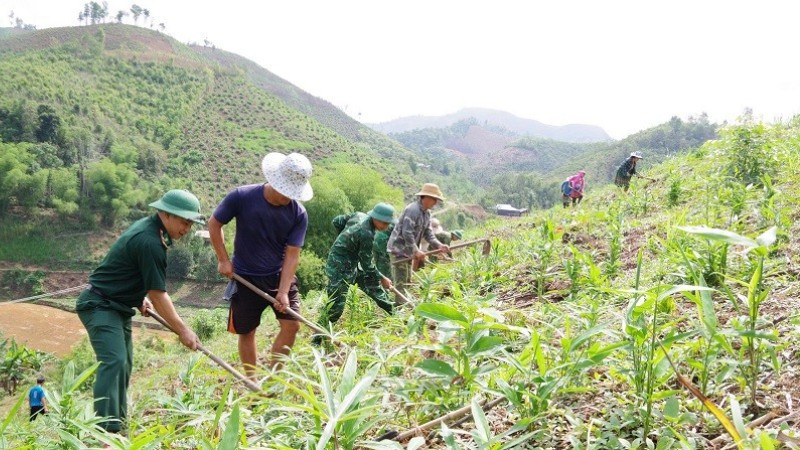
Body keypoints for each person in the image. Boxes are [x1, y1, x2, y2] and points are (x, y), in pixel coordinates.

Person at [76, 189, 203, 433]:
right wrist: (183, 330)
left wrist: (137, 298)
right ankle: (105, 431)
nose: (187, 229)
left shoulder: (152, 230)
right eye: (184, 222)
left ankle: (118, 425)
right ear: (167, 214)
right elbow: (158, 294)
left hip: (118, 305)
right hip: (100, 304)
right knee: (113, 361)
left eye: (190, 224)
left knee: (124, 364)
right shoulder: (150, 241)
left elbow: (129, 271)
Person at [208, 152, 312, 378]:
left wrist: (283, 291)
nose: (289, 197)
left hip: (279, 276)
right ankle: (253, 382)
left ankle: (272, 379)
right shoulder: (242, 197)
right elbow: (214, 224)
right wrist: (223, 259)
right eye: (286, 191)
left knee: (292, 325)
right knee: (247, 332)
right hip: (245, 278)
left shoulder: (298, 213)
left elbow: (292, 255)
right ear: (275, 180)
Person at [315, 203, 396, 341]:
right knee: (335, 307)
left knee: (373, 286)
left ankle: (396, 314)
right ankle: (317, 339)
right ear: (376, 218)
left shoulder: (359, 215)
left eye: (388, 223)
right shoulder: (366, 233)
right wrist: (382, 278)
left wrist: (345, 239)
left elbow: (337, 221)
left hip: (353, 261)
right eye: (384, 223)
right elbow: (367, 265)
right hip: (339, 266)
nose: (386, 226)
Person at [387, 183, 450, 303]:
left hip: (408, 251)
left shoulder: (427, 214)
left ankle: (404, 304)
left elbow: (428, 233)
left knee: (407, 279)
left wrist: (439, 245)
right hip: (399, 250)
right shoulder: (413, 210)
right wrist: (416, 250)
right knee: (401, 282)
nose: (435, 203)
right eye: (434, 199)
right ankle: (400, 307)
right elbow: (407, 233)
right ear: (426, 197)